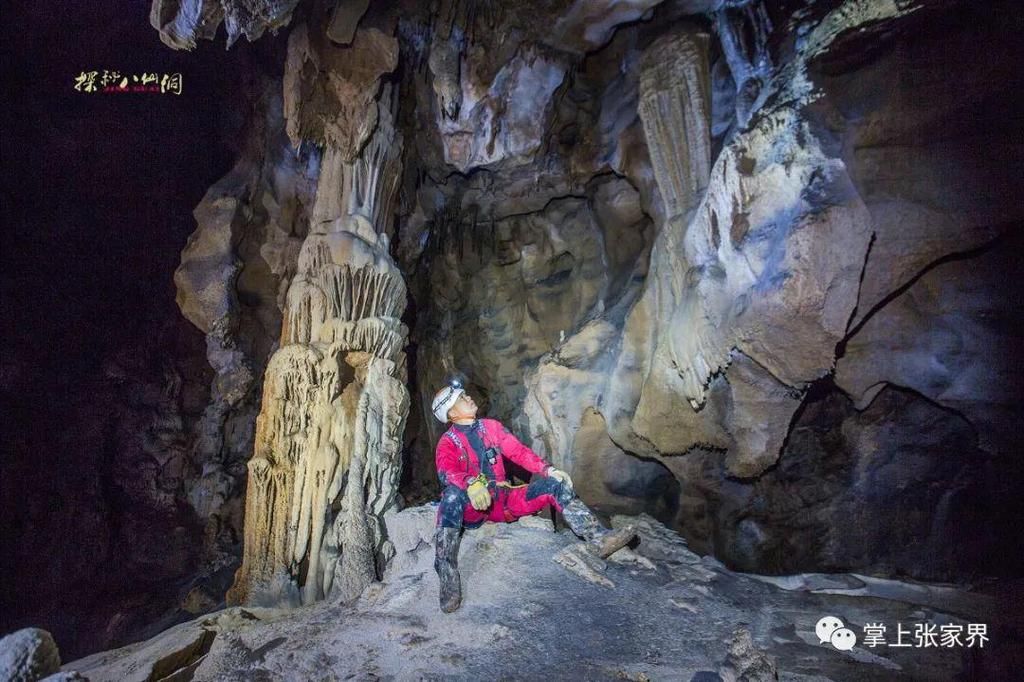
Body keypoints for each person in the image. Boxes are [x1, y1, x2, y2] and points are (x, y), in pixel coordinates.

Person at [430, 377, 637, 613]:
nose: (469, 398)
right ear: (452, 414)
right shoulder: (448, 442)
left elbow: (518, 452)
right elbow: (446, 472)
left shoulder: (491, 427)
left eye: (466, 395)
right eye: (462, 398)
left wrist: (547, 469)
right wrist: (470, 484)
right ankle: (446, 570)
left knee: (554, 486)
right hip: (474, 507)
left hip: (503, 500)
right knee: (450, 497)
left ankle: (597, 537)